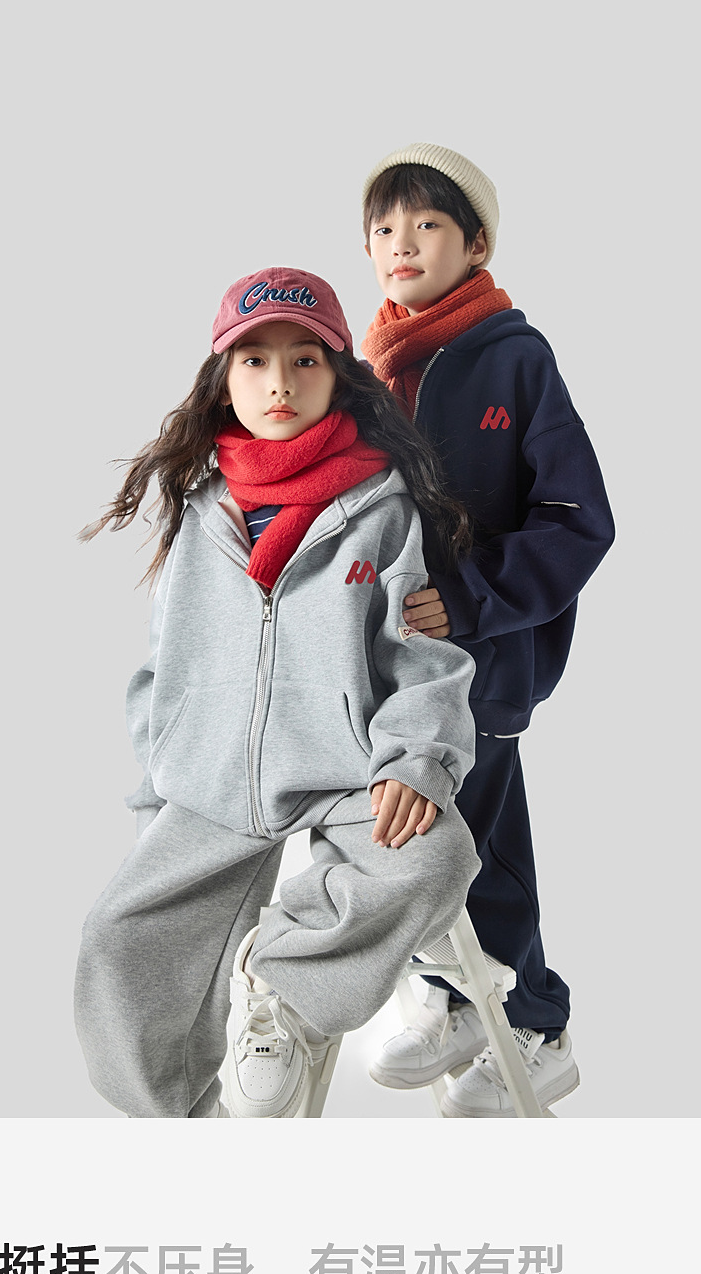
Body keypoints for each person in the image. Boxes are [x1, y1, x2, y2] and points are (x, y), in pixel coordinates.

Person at [75, 265, 481, 1118]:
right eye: (254, 361)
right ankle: (179, 1128)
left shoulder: (383, 509)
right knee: (116, 941)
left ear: (339, 376)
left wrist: (416, 758)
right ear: (223, 378)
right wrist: (160, 783)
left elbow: (422, 655)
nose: (280, 383)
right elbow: (162, 664)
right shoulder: (199, 509)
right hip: (212, 783)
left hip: (345, 771)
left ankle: (283, 995)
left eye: (305, 360)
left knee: (438, 855)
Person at [360, 144, 615, 1117]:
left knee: (481, 837)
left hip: (485, 656)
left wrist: (470, 599)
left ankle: (537, 1023)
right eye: (384, 227)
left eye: (426, 224)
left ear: (475, 244)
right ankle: (452, 992)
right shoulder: (364, 372)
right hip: (388, 664)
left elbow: (579, 518)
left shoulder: (516, 357)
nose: (402, 243)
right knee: (412, 833)